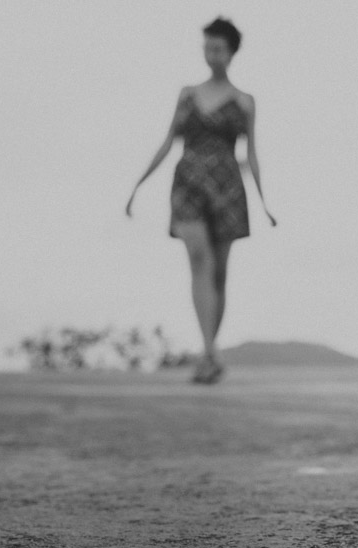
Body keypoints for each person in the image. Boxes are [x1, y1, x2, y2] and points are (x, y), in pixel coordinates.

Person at [126, 17, 276, 384]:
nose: (211, 54)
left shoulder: (245, 101)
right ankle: (210, 353)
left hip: (227, 186)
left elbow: (252, 154)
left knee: (220, 274)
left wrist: (265, 203)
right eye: (207, 47)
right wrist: (137, 185)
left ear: (231, 52)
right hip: (189, 181)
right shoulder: (187, 94)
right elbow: (168, 141)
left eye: (218, 48)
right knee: (198, 259)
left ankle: (210, 353)